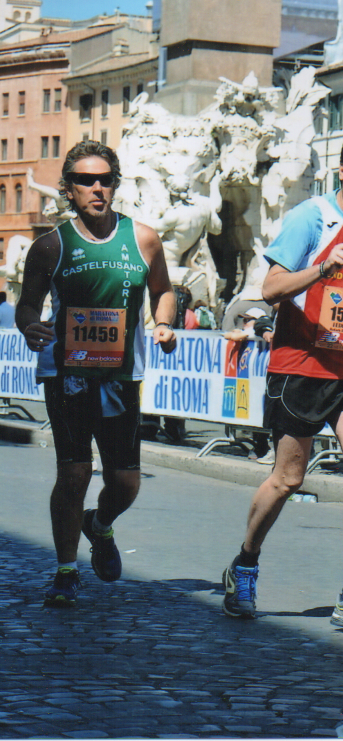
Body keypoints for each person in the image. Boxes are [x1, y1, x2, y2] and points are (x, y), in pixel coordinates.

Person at [220, 127, 343, 633]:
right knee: (288, 478)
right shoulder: (311, 218)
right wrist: (321, 269)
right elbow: (270, 288)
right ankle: (245, 562)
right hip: (299, 366)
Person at [15, 141, 178, 607]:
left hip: (121, 375)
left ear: (116, 184)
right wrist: (30, 326)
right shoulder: (51, 246)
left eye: (105, 179)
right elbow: (28, 302)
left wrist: (163, 322)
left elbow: (163, 290)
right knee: (74, 472)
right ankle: (66, 570)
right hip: (67, 372)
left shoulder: (143, 238)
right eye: (85, 180)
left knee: (125, 483)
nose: (97, 188)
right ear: (68, 188)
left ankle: (99, 525)